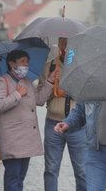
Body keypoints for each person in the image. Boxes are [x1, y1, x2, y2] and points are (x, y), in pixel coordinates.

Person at [0, 50, 57, 191]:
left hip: (26, 140)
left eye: (27, 62)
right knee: (13, 177)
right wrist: (17, 94)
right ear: (11, 63)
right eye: (22, 61)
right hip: (12, 139)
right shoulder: (2, 81)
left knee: (20, 177)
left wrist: (50, 81)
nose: (26, 65)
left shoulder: (26, 82)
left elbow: (39, 100)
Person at [38, 38, 86, 191]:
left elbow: (88, 96)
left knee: (82, 171)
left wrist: (69, 87)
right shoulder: (49, 67)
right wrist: (51, 82)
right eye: (62, 43)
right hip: (53, 122)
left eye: (68, 43)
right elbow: (40, 99)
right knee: (51, 170)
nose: (65, 47)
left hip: (77, 126)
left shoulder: (82, 67)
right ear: (59, 45)